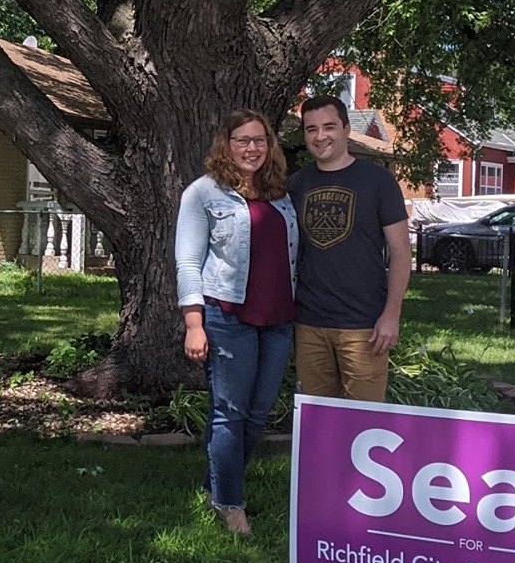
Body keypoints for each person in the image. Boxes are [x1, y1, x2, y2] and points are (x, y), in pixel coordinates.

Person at [175, 109, 298, 536]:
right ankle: (230, 504)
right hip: (228, 316)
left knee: (259, 413)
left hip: (279, 319)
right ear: (226, 144)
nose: (252, 148)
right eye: (242, 140)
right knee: (230, 412)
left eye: (260, 140)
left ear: (270, 144)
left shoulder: (281, 193)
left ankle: (215, 486)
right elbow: (188, 262)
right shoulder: (204, 193)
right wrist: (194, 323)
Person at [288, 94, 412, 402]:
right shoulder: (295, 185)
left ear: (346, 129)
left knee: (363, 423)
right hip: (309, 324)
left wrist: (391, 315)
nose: (320, 136)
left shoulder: (379, 181)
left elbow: (400, 252)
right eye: (311, 129)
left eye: (329, 127)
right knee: (317, 423)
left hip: (364, 326)